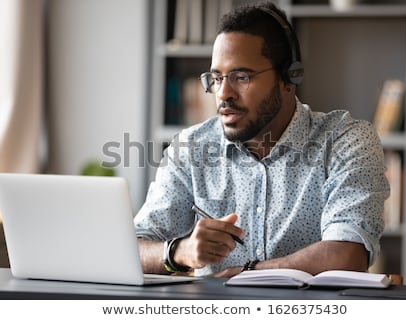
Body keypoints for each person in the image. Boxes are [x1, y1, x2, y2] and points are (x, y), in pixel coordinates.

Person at [134, 1, 390, 278]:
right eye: (217, 78)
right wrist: (179, 251)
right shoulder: (191, 148)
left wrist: (247, 272)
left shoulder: (346, 140)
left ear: (289, 77)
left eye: (241, 77)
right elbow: (132, 249)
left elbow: (347, 255)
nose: (223, 94)